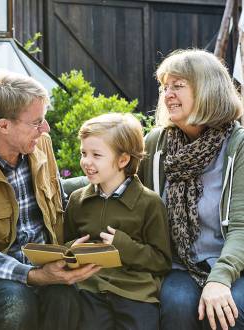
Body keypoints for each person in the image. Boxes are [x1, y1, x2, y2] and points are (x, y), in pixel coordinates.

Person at [0, 71, 99, 330]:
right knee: (17, 300)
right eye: (37, 122)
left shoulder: (41, 145)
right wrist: (33, 276)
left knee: (65, 297)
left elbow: (62, 205)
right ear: (4, 126)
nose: (45, 129)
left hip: (45, 266)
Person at [138, 49, 244, 330]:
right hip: (180, 264)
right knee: (177, 305)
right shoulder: (157, 144)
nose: (167, 94)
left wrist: (220, 278)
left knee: (230, 309)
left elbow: (241, 227)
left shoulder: (238, 146)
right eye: (164, 87)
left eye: (178, 86)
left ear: (208, 90)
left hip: (234, 263)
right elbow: (117, 177)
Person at [64, 113, 172, 330]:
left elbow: (161, 261)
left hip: (136, 292)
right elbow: (65, 244)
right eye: (83, 153)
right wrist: (70, 252)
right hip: (90, 289)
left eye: (96, 155)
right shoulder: (77, 201)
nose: (86, 161)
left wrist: (123, 247)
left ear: (123, 160)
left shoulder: (150, 203)